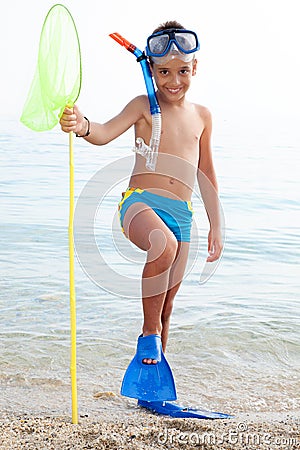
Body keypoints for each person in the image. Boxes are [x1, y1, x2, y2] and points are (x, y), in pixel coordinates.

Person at [60, 21, 222, 389]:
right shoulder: (143, 107)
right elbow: (102, 133)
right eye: (163, 72)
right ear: (151, 69)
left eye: (182, 71)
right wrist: (81, 124)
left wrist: (216, 224)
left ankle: (152, 386)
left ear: (195, 68)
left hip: (183, 215)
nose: (173, 80)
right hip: (139, 205)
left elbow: (206, 172)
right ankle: (147, 334)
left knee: (166, 308)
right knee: (160, 246)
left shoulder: (203, 116)